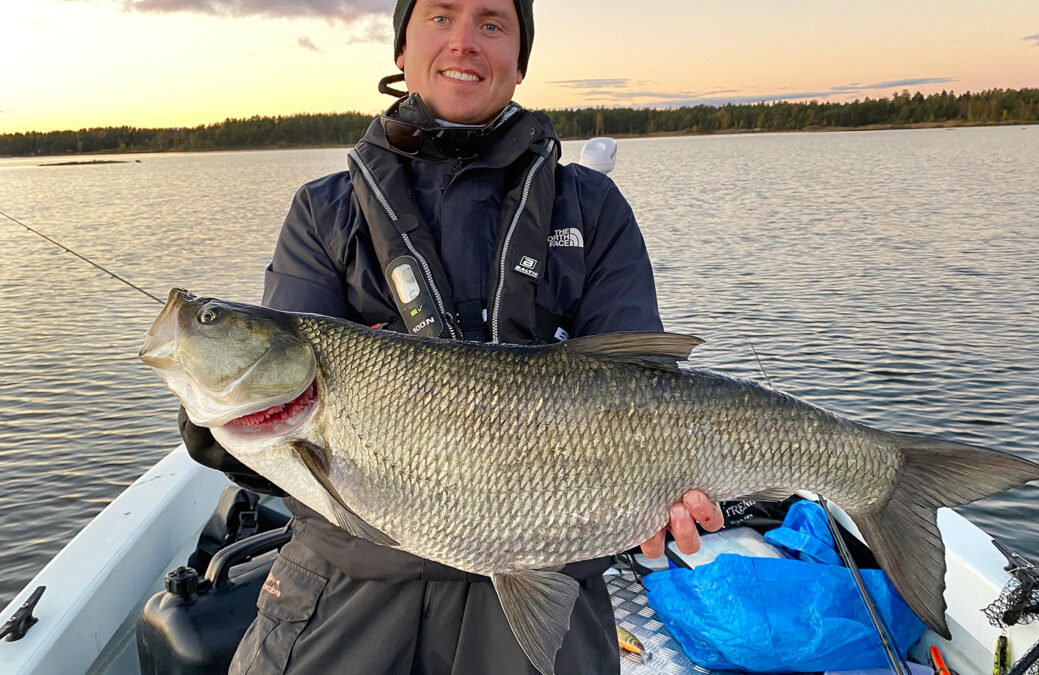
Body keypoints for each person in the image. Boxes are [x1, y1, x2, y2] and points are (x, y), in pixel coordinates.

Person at [180, 0, 722, 672]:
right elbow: (273, 403)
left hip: (547, 570)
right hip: (349, 581)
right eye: (440, 17)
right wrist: (213, 418)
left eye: (492, 23)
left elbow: (646, 389)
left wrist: (670, 489)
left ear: (519, 61)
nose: (465, 42)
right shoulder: (325, 211)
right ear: (401, 50)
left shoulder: (593, 207)